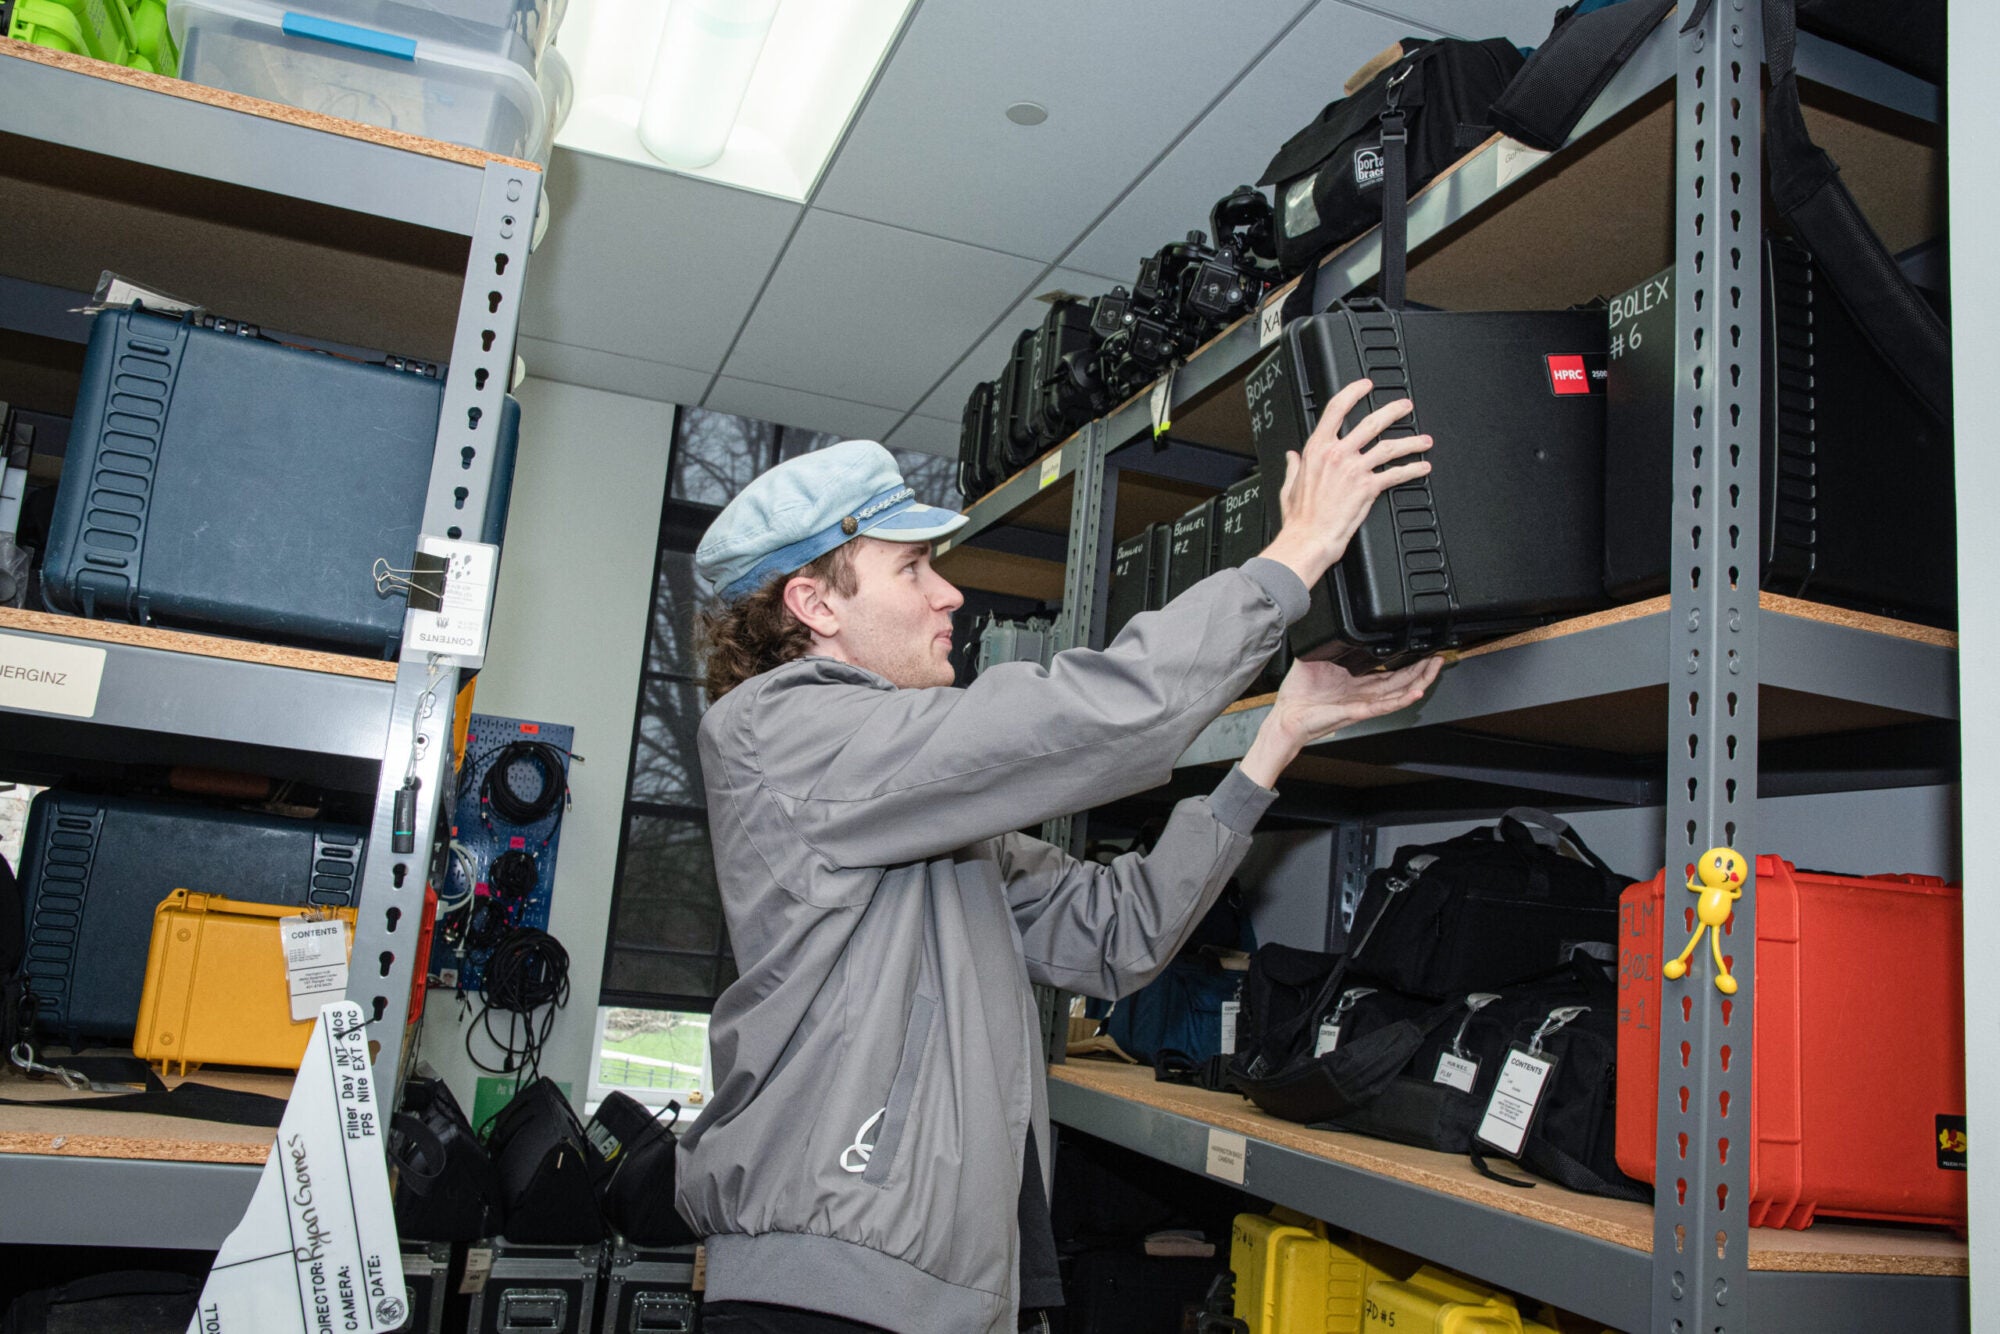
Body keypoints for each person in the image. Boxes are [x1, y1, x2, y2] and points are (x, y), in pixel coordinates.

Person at [677, 378, 1442, 1334]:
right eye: (912, 568)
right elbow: (1087, 719)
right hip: (828, 1298)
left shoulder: (910, 807)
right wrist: (1292, 558)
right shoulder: (785, 731)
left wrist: (1276, 738)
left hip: (934, 1288)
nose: (949, 593)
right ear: (814, 604)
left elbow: (1114, 936)